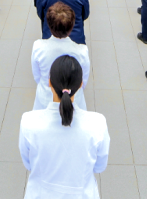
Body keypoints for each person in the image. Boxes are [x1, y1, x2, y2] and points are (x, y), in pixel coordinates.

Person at [19, 54, 110, 199]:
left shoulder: (28, 122)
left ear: (49, 82)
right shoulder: (98, 124)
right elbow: (99, 167)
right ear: (80, 85)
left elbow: (28, 163)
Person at [32, 1, 90, 110]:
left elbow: (37, 77)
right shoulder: (82, 51)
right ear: (72, 26)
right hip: (75, 101)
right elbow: (83, 82)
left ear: (49, 25)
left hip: (45, 101)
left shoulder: (38, 47)